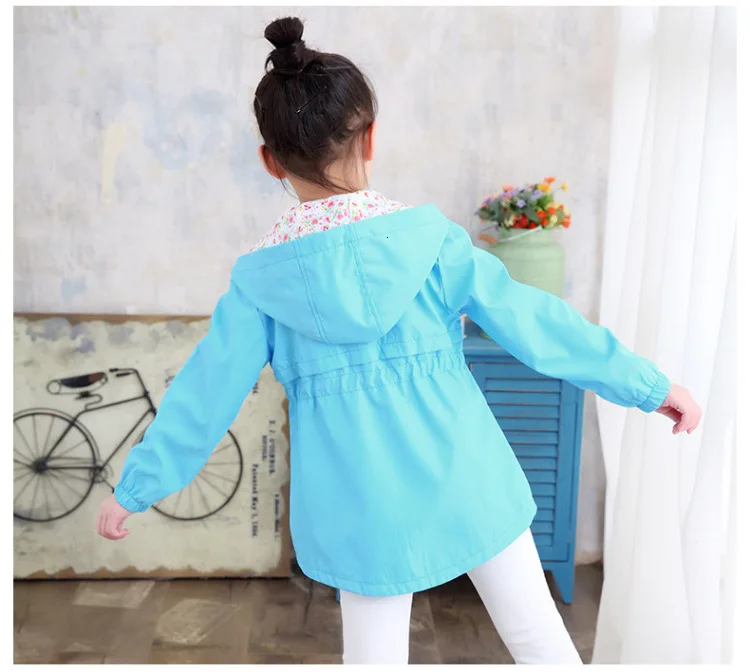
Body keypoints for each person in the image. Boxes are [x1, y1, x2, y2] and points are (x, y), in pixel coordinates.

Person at [96, 17, 702, 664]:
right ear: (371, 136)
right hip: (468, 479)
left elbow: (204, 395)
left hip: (361, 510)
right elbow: (537, 323)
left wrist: (138, 487)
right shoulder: (433, 242)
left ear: (269, 160)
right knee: (541, 644)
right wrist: (647, 385)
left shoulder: (258, 284)